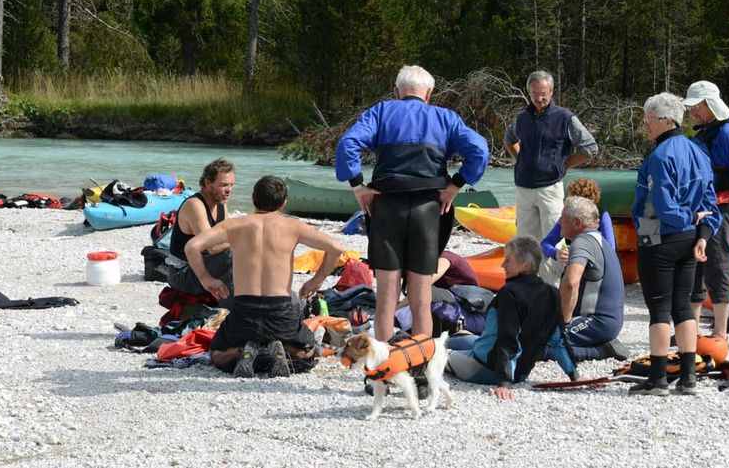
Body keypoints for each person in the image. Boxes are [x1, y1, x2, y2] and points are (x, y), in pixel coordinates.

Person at [335, 64, 489, 345]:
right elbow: (479, 149)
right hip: (429, 209)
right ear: (429, 93)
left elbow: (348, 144)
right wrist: (456, 184)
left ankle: (382, 368)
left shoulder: (381, 112)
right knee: (420, 296)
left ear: (396, 91)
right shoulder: (446, 118)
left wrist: (358, 185)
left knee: (386, 296)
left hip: (387, 206)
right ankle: (419, 363)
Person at [185, 175, 343, 377]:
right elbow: (336, 248)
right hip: (280, 310)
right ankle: (282, 350)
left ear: (253, 197)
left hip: (245, 309)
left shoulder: (234, 225)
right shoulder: (294, 227)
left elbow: (192, 246)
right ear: (284, 202)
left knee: (216, 354)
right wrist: (317, 280)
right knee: (308, 352)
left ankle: (243, 351)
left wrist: (207, 279)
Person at [630, 92, 722, 395]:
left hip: (659, 237)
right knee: (683, 305)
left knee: (658, 308)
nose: (644, 125)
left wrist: (689, 218)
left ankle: (657, 379)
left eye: (648, 120)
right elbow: (712, 203)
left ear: (666, 121)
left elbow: (664, 207)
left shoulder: (659, 156)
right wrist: (703, 235)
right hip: (689, 240)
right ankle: (688, 377)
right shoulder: (699, 152)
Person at [445, 236, 577, 399]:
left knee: (442, 353)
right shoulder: (552, 293)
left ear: (525, 266)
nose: (502, 265)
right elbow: (558, 340)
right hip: (521, 374)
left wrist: (504, 383)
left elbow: (509, 338)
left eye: (508, 260)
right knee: (462, 339)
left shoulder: (510, 293)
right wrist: (575, 376)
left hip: (485, 369)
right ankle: (448, 338)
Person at [504, 70, 599, 284]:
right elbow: (509, 139)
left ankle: (555, 287)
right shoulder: (522, 118)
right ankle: (527, 286)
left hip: (549, 187)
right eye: (534, 93)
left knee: (555, 240)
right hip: (523, 188)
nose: (539, 98)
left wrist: (566, 165)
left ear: (552, 91)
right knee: (525, 241)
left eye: (543, 93)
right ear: (528, 92)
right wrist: (520, 160)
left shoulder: (564, 117)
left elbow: (591, 147)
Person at [684, 80, 729, 340]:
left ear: (710, 105)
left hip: (723, 209)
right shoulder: (705, 132)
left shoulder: (728, 134)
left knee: (718, 264)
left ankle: (720, 332)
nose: (692, 112)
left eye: (696, 107)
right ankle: (689, 329)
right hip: (701, 208)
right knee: (694, 266)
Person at [555, 196, 627, 362]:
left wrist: (564, 324)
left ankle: (601, 351)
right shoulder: (599, 239)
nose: (559, 221)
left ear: (577, 222)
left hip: (597, 322)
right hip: (608, 321)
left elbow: (571, 283)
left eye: (563, 218)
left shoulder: (582, 243)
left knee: (543, 345)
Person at [166, 158, 236, 307]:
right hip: (182, 273)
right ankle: (230, 315)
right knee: (231, 255)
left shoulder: (222, 206)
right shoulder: (194, 205)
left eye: (231, 185)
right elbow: (212, 246)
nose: (229, 190)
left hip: (205, 265)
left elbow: (226, 238)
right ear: (207, 183)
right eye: (223, 185)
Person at [541, 177, 616, 263]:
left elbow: (610, 248)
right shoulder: (568, 216)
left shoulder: (602, 216)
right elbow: (546, 243)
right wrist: (556, 253)